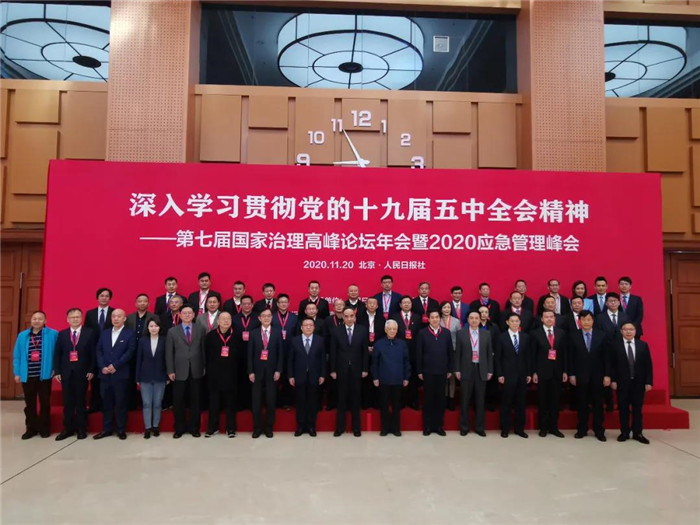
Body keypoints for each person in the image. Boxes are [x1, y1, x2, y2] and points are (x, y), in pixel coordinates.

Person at [13, 311, 58, 439]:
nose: (37, 321)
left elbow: (58, 353)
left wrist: (56, 369)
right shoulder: (22, 335)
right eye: (34, 318)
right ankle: (31, 428)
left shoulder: (53, 334)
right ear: (31, 320)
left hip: (44, 376)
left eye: (40, 319)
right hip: (27, 375)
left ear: (45, 321)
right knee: (30, 404)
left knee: (45, 403)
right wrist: (17, 372)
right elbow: (17, 355)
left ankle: (44, 428)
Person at [53, 308, 95, 441]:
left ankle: (82, 428)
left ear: (81, 318)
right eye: (72, 317)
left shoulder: (89, 333)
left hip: (83, 372)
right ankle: (68, 429)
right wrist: (57, 371)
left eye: (77, 317)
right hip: (66, 373)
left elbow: (93, 354)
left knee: (81, 401)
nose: (75, 319)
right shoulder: (62, 334)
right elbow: (57, 354)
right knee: (68, 402)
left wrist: (91, 370)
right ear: (67, 319)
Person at [94, 309, 136, 440]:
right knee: (106, 403)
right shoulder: (105, 333)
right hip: (105, 374)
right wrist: (102, 366)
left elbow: (130, 352)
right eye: (114, 316)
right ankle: (106, 429)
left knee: (121, 403)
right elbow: (99, 351)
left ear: (124, 318)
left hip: (121, 374)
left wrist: (115, 365)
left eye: (119, 316)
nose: (116, 318)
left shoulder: (130, 333)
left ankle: (121, 429)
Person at [165, 305, 206, 438]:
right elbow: (169, 353)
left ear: (194, 315)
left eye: (189, 313)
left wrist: (204, 366)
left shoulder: (200, 329)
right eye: (184, 313)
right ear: (180, 315)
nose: (187, 315)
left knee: (196, 401)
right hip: (179, 371)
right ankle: (179, 428)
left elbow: (203, 349)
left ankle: (194, 428)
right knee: (178, 401)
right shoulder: (172, 331)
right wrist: (170, 370)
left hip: (196, 369)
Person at [568, 311, 608, 442]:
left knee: (598, 403)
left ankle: (599, 430)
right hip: (581, 375)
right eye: (584, 319)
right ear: (579, 321)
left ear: (593, 321)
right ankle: (582, 429)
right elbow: (570, 357)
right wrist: (572, 374)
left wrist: (607, 375)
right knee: (582, 403)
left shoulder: (602, 335)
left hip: (598, 375)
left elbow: (606, 357)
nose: (586, 322)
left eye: (589, 319)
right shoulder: (573, 335)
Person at [610, 323, 653, 444]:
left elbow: (648, 365)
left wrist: (648, 382)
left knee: (637, 409)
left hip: (639, 383)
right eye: (625, 329)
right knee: (623, 408)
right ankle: (624, 432)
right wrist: (613, 380)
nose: (628, 332)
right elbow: (612, 365)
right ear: (621, 331)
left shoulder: (643, 345)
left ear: (635, 331)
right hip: (622, 382)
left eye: (631, 329)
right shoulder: (615, 346)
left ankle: (637, 432)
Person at [330, 308, 369, 436]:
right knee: (341, 399)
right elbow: (333, 352)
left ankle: (356, 428)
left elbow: (365, 351)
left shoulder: (362, 330)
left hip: (357, 369)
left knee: (356, 399)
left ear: (355, 317)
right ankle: (339, 428)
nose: (349, 318)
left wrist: (365, 368)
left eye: (351, 316)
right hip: (341, 369)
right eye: (346, 316)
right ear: (343, 317)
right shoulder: (336, 331)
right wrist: (333, 370)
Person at [455, 311, 494, 436]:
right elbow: (458, 353)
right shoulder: (461, 333)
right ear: (467, 320)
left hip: (481, 369)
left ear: (480, 319)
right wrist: (457, 369)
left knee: (480, 400)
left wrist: (490, 370)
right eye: (471, 318)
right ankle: (464, 427)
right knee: (465, 400)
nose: (474, 320)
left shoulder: (486, 334)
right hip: (466, 369)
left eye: (476, 318)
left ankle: (479, 427)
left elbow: (489, 354)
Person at [416, 311, 453, 436]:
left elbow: (450, 352)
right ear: (428, 319)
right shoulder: (422, 333)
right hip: (428, 371)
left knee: (440, 400)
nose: (435, 319)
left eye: (437, 317)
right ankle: (427, 426)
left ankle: (439, 426)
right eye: (432, 317)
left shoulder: (446, 333)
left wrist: (450, 369)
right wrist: (419, 370)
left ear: (440, 318)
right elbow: (419, 353)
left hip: (442, 371)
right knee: (428, 399)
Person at [248, 308, 283, 438]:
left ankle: (268, 427)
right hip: (256, 373)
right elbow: (249, 354)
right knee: (256, 402)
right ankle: (257, 428)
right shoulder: (253, 333)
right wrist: (250, 371)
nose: (266, 318)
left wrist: (278, 370)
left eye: (269, 316)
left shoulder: (277, 333)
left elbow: (281, 353)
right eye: (264, 316)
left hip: (272, 372)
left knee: (270, 401)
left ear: (272, 318)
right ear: (259, 318)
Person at [532, 310, 568, 438]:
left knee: (555, 400)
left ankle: (554, 427)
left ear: (554, 318)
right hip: (542, 372)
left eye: (551, 317)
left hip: (557, 371)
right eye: (546, 317)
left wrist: (565, 370)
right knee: (543, 400)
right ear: (542, 319)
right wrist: (534, 372)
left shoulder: (561, 333)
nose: (549, 319)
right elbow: (532, 355)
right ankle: (543, 427)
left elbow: (564, 353)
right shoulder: (535, 333)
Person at [371, 320, 410, 436]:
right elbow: (374, 363)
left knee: (396, 406)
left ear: (397, 331)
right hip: (383, 380)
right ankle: (385, 428)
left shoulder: (402, 344)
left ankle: (396, 428)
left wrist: (406, 377)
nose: (392, 331)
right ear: (385, 330)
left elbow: (406, 362)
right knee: (384, 406)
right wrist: (375, 377)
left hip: (398, 380)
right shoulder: (379, 344)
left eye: (394, 329)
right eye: (390, 329)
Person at [496, 313, 531, 438]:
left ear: (520, 322)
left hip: (522, 374)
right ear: (507, 322)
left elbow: (528, 357)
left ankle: (519, 429)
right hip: (507, 374)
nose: (515, 323)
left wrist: (528, 373)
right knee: (506, 402)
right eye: (512, 321)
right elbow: (498, 358)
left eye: (517, 321)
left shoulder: (525, 337)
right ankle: (505, 428)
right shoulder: (501, 337)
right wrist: (500, 374)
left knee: (521, 403)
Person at [289, 318, 326, 436]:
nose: (308, 327)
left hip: (315, 376)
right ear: (301, 327)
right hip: (299, 376)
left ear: (314, 327)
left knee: (312, 402)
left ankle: (311, 426)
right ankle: (300, 426)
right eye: (306, 325)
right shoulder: (294, 340)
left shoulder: (320, 340)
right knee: (300, 402)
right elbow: (290, 360)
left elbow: (323, 359)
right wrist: (290, 375)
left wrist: (322, 374)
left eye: (311, 325)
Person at [204, 312, 238, 438]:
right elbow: (206, 355)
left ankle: (231, 428)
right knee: (214, 404)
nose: (226, 321)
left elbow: (241, 356)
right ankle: (212, 428)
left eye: (228, 319)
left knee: (230, 404)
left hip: (231, 375)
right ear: (218, 321)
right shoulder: (210, 336)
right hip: (214, 376)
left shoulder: (236, 335)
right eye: (223, 319)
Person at [135, 319, 167, 439]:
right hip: (145, 376)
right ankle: (148, 428)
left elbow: (167, 359)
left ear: (160, 328)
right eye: (151, 326)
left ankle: (155, 426)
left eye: (156, 326)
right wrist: (137, 377)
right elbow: (139, 360)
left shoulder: (164, 340)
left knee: (157, 403)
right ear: (148, 328)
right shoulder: (142, 341)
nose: (154, 328)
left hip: (160, 375)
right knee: (147, 403)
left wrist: (167, 375)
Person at [126, 293, 159, 410]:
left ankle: (148, 402)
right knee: (130, 377)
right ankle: (131, 403)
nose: (142, 303)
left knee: (147, 376)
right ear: (136, 303)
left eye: (145, 301)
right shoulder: (129, 317)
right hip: (131, 351)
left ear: (148, 304)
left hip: (147, 351)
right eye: (139, 301)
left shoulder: (154, 317)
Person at [84, 287, 114, 413]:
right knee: (94, 378)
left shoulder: (114, 313)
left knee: (107, 380)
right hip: (93, 349)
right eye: (102, 295)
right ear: (97, 297)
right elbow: (86, 331)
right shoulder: (90, 313)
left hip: (109, 350)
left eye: (107, 296)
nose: (104, 298)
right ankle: (94, 404)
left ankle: (106, 405)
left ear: (110, 298)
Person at [392, 295, 422, 410]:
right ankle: (400, 401)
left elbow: (420, 335)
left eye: (408, 302)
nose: (406, 304)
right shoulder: (394, 317)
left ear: (411, 304)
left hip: (413, 352)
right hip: (398, 352)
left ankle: (413, 401)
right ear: (400, 305)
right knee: (400, 377)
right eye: (404, 302)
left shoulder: (417, 317)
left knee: (413, 378)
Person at [272, 294, 298, 409]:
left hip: (289, 352)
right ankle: (275, 402)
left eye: (285, 302)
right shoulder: (272, 317)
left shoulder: (294, 318)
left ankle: (287, 402)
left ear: (288, 303)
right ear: (277, 304)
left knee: (288, 378)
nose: (283, 304)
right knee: (275, 379)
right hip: (274, 352)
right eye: (281, 302)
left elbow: (297, 336)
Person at [439, 301, 460, 411]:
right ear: (441, 309)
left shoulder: (456, 321)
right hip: (441, 351)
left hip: (454, 351)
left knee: (451, 376)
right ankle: (444, 398)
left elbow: (459, 337)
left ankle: (451, 399)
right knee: (443, 376)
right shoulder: (438, 320)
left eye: (448, 307)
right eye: (444, 307)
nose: (446, 309)